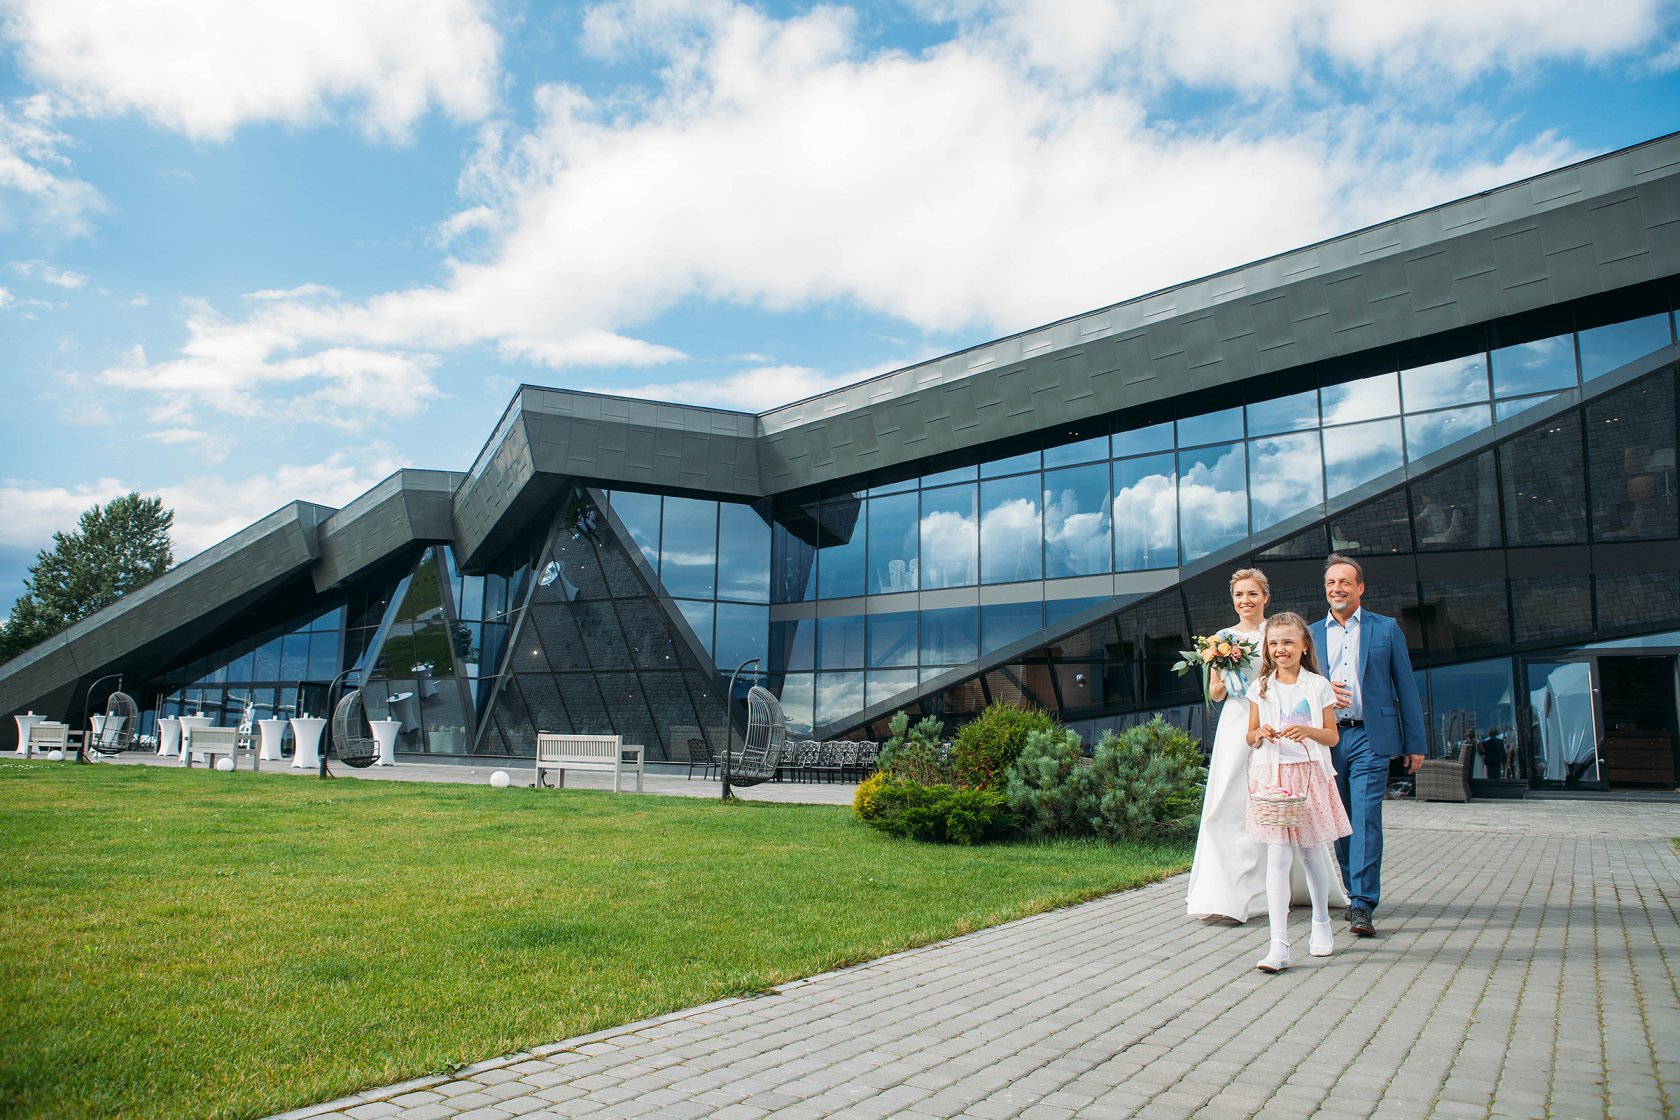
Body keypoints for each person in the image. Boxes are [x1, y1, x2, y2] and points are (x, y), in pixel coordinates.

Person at [1185, 569, 1348, 922]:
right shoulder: (1221, 639)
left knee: (1279, 799)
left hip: (1276, 720)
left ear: (1265, 597)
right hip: (1237, 724)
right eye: (1239, 595)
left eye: (1252, 594)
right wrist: (1224, 670)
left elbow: (1298, 675)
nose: (1245, 601)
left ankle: (1288, 888)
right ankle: (1227, 894)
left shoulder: (1276, 632)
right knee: (1228, 804)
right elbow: (1215, 694)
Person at [1311, 554, 1426, 938]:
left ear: (1360, 587)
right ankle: (1351, 890)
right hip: (1328, 739)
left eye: (1344, 582)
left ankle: (1363, 902)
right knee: (1340, 822)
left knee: (1364, 818)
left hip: (1370, 738)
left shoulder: (1386, 629)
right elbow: (1296, 688)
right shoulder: (1310, 634)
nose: (1337, 589)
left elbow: (1406, 687)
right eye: (1331, 583)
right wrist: (1321, 689)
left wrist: (1415, 743)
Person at [1243, 612, 1351, 971]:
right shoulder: (1260, 687)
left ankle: (1321, 921)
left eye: (1288, 642)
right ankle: (1278, 945)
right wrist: (1259, 734)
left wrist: (1308, 732)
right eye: (1274, 643)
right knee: (1277, 856)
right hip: (1272, 777)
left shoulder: (1317, 686)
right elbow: (1250, 734)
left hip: (1309, 776)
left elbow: (1332, 736)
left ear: (1304, 646)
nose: (1280, 649)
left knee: (1311, 853)